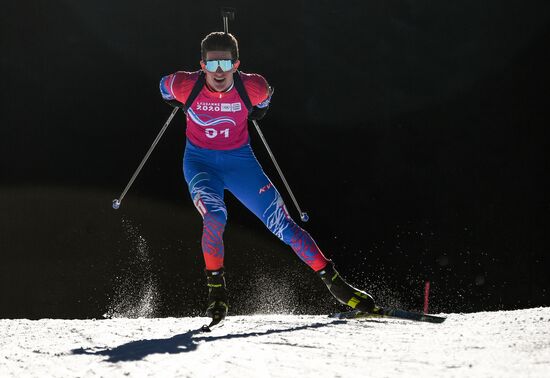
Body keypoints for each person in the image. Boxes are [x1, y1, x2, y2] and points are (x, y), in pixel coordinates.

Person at [159, 32, 374, 324]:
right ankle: (216, 293)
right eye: (211, 65)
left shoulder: (253, 87)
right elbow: (163, 87)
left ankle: (337, 285)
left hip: (240, 164)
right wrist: (174, 100)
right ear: (201, 65)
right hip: (201, 163)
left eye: (225, 63)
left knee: (282, 224)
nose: (218, 72)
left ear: (237, 64)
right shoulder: (186, 84)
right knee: (215, 217)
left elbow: (265, 97)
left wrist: (262, 107)